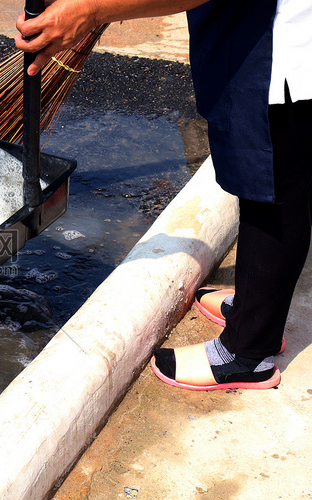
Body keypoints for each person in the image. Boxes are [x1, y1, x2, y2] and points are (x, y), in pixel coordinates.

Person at [16, 0, 312, 390]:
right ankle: (253, 310)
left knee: (271, 189)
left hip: (281, 46)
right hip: (254, 24)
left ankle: (247, 353)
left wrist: (89, 11)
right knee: (262, 181)